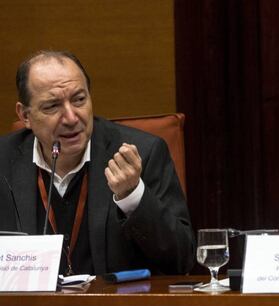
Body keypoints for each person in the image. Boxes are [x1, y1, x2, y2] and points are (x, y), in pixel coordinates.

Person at [0, 50, 195, 276]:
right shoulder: (4, 161)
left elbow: (182, 260)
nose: (72, 118)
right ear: (25, 116)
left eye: (79, 99)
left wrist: (133, 195)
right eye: (52, 106)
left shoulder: (142, 153)